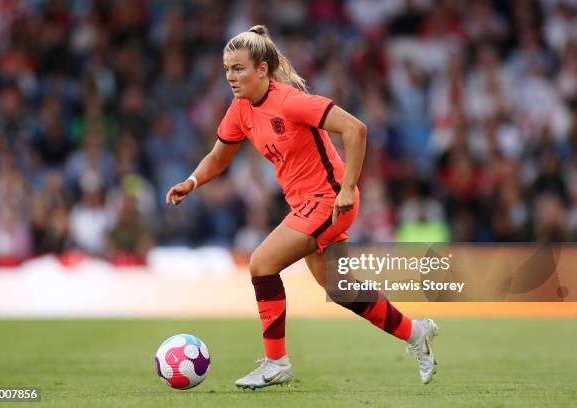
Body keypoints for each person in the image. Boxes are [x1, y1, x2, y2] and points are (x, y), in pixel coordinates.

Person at [166, 25, 439, 389]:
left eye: (239, 68)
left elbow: (355, 129)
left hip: (329, 201)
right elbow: (218, 157)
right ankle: (416, 333)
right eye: (227, 69)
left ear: (262, 69)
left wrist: (347, 188)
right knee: (342, 290)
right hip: (306, 206)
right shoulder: (240, 110)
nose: (231, 77)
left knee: (261, 262)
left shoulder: (290, 101)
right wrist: (193, 181)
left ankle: (276, 362)